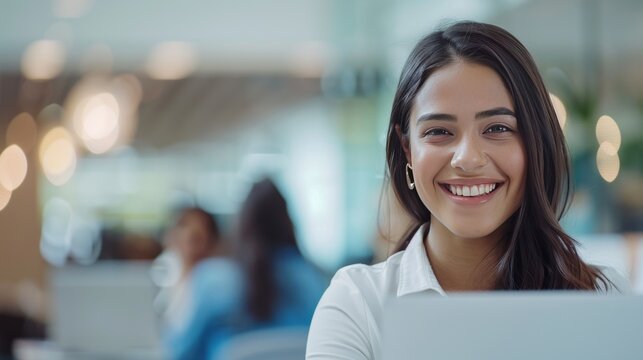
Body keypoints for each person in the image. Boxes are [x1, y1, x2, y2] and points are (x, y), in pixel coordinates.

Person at [306, 21, 631, 360]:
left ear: (536, 144)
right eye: (439, 132)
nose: (468, 159)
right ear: (407, 150)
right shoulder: (359, 305)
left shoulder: (601, 297)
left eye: (497, 128)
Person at [165, 180, 327, 360]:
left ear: (241, 222)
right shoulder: (313, 280)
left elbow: (179, 352)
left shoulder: (213, 280)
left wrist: (182, 285)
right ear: (288, 221)